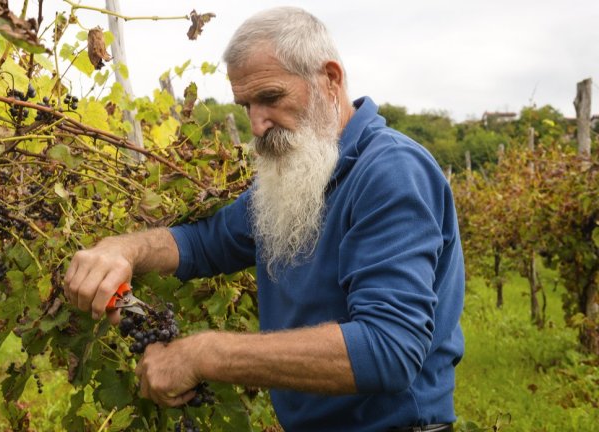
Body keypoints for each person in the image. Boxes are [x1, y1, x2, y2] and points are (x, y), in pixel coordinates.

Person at [64, 6, 464, 432]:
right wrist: (122, 250)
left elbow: (389, 348)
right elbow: (205, 242)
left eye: (271, 98)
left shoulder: (390, 171)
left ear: (330, 79)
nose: (256, 125)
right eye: (246, 105)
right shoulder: (304, 174)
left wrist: (204, 354)